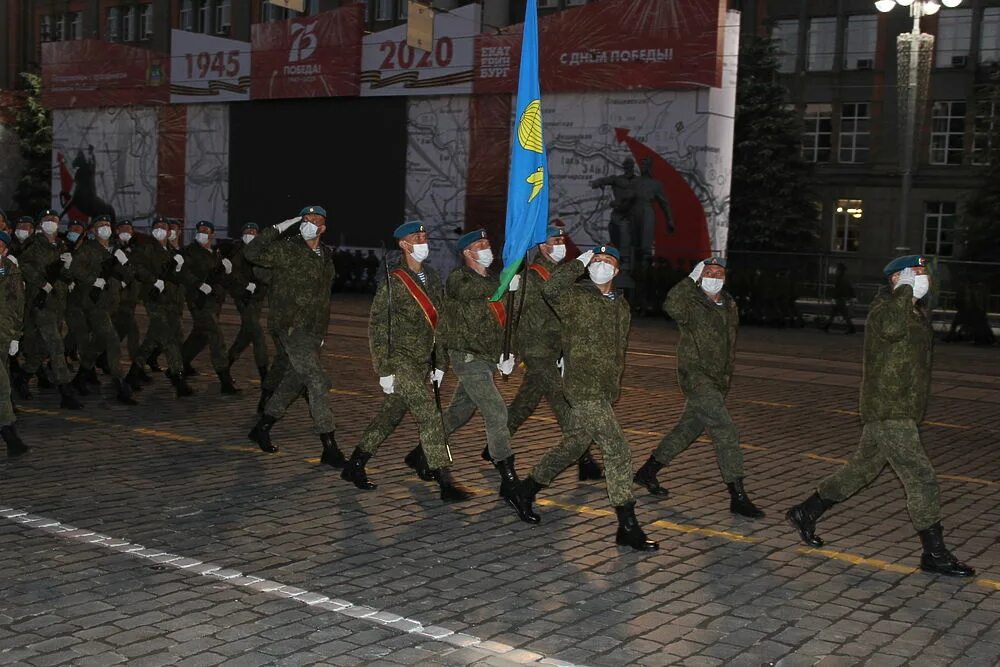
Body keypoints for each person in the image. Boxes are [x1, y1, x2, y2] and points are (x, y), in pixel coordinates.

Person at [787, 255, 975, 577]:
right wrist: (903, 292)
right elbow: (889, 328)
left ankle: (807, 512)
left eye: (923, 271)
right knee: (921, 476)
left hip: (898, 409)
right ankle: (934, 553)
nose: (922, 276)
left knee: (861, 471)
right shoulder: (884, 310)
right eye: (914, 272)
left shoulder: (913, 313)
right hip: (890, 410)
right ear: (895, 280)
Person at [516, 245, 657, 551]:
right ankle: (627, 525)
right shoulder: (576, 297)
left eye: (608, 261)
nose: (601, 264)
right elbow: (550, 289)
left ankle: (525, 489)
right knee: (617, 450)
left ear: (617, 271)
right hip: (582, 388)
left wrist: (614, 386)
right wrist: (578, 263)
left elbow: (618, 350)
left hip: (603, 390)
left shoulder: (621, 306)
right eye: (596, 260)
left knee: (574, 446)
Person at [406, 228, 533, 522]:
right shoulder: (459, 279)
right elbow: (473, 293)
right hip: (466, 356)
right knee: (496, 411)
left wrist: (509, 352)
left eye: (488, 244)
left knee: (458, 414)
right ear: (467, 253)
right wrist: (505, 283)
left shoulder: (492, 282)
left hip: (487, 359)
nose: (487, 248)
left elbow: (505, 321)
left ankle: (420, 453)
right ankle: (509, 481)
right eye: (480, 245)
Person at [342, 221, 473, 501]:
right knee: (429, 416)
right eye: (417, 237)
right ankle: (443, 480)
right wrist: (384, 369)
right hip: (400, 362)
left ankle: (355, 464)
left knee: (389, 416)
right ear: (404, 244)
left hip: (422, 362)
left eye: (425, 236)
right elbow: (378, 326)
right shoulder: (394, 281)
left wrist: (440, 363)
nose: (423, 241)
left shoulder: (432, 277)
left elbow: (440, 323)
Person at [633, 257, 764, 518]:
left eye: (719, 271)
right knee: (724, 431)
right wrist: (689, 280)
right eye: (708, 271)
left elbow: (729, 343)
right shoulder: (690, 302)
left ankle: (647, 472)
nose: (714, 275)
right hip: (696, 377)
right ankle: (737, 496)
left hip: (718, 380)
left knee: (688, 430)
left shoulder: (729, 303)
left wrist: (725, 378)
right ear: (700, 275)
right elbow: (670, 305)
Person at [499, 225, 603, 480]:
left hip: (556, 348)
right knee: (562, 402)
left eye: (561, 240)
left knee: (526, 402)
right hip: (536, 350)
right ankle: (584, 459)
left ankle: (495, 445)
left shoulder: (559, 272)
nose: (560, 245)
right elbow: (510, 314)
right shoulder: (532, 277)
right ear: (543, 247)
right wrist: (508, 349)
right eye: (555, 241)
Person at [245, 207, 345, 466]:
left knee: (294, 380)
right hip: (290, 326)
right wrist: (279, 226)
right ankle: (329, 446)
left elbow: (324, 297)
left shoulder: (326, 256)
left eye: (316, 221)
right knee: (316, 379)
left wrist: (322, 332)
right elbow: (251, 253)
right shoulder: (286, 249)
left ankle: (262, 427)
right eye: (305, 219)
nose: (309, 224)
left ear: (323, 227)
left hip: (314, 330)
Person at [14, 210, 82, 409]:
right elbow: (23, 266)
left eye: (54, 220)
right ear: (40, 225)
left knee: (43, 348)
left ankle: (23, 377)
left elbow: (68, 277)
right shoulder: (34, 245)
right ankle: (65, 391)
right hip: (41, 304)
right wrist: (42, 283)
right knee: (56, 346)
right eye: (47, 220)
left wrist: (69, 267)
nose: (51, 223)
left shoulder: (61, 246)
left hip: (58, 304)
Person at [67, 215, 136, 405]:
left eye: (107, 225)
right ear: (93, 231)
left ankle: (81, 377)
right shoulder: (88, 250)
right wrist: (93, 279)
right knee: (112, 340)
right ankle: (120, 385)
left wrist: (124, 265)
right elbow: (74, 268)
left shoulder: (116, 250)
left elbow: (130, 274)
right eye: (101, 225)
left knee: (97, 344)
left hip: (112, 304)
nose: (105, 228)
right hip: (94, 305)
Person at [133, 216, 193, 397]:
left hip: (171, 301)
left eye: (164, 226)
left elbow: (180, 277)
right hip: (154, 300)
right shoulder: (147, 248)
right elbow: (138, 267)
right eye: (157, 226)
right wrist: (153, 281)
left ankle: (131, 376)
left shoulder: (171, 251)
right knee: (169, 340)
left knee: (153, 340)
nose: (160, 229)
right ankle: (178, 379)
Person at [179, 221, 238, 393]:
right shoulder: (190, 251)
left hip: (214, 301)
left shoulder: (215, 254)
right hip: (199, 300)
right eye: (200, 231)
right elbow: (183, 272)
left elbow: (222, 280)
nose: (202, 233)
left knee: (201, 336)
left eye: (206, 231)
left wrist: (227, 272)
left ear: (212, 235)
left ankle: (178, 364)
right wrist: (198, 284)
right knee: (215, 337)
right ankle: (225, 380)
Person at [224, 223, 270, 380]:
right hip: (243, 298)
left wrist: (259, 287)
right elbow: (232, 273)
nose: (250, 234)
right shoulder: (236, 251)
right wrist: (245, 286)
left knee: (246, 334)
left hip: (257, 298)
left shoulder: (262, 251)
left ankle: (224, 365)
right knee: (257, 333)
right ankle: (265, 374)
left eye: (253, 232)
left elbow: (267, 273)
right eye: (247, 231)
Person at [0, 231, 28, 457]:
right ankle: (10, 435)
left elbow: (19, 305)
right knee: (2, 387)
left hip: (3, 335)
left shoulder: (10, 269)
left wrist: (16, 336)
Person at [824, 262, 856, 334]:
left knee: (843, 314)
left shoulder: (840, 279)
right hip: (840, 298)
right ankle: (827, 326)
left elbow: (839, 290)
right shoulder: (842, 279)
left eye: (838, 270)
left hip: (840, 299)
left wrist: (834, 296)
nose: (836, 272)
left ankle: (851, 328)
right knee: (835, 313)